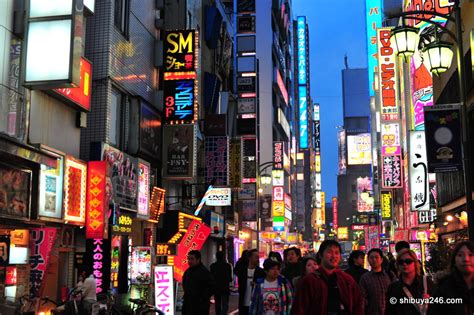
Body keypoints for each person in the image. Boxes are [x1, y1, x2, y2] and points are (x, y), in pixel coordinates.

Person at [291, 240, 364, 315]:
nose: (333, 256)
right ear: (320, 255)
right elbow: (299, 309)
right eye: (329, 252)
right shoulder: (309, 281)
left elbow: (357, 304)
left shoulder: (347, 280)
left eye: (336, 253)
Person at [428, 241, 474, 315]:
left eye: (471, 255)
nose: (466, 259)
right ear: (454, 261)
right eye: (460, 255)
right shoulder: (444, 288)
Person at [385, 248, 434, 315]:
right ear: (397, 265)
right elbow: (390, 311)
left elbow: (438, 307)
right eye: (401, 262)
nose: (404, 264)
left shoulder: (426, 282)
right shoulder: (394, 288)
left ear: (415, 263)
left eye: (408, 261)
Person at [359, 248, 394, 315]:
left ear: (381, 259)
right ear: (368, 260)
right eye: (371, 257)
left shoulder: (390, 275)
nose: (374, 260)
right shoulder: (365, 278)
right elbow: (362, 299)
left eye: (376, 257)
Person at [182, 250, 215, 315]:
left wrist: (202, 299)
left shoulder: (204, 272)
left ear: (198, 260)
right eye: (188, 259)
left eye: (192, 259)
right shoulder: (188, 271)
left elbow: (211, 287)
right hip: (188, 304)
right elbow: (185, 284)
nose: (189, 261)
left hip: (200, 307)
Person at [236, 249, 266, 315]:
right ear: (250, 258)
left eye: (258, 257)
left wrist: (257, 285)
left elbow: (264, 285)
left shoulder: (261, 272)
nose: (257, 259)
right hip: (243, 302)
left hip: (256, 302)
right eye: (256, 257)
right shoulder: (242, 271)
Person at [210, 251, 233, 315]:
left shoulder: (212, 266)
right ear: (223, 257)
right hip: (225, 287)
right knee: (225, 303)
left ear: (216, 257)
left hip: (216, 288)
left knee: (217, 304)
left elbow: (211, 278)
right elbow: (230, 279)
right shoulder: (228, 266)